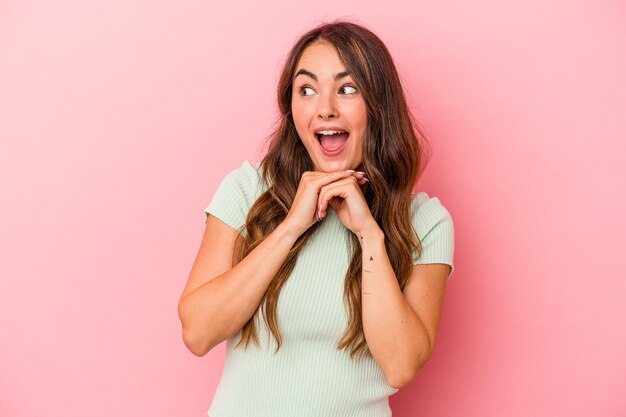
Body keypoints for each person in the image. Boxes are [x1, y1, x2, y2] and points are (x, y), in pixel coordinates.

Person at [178, 19, 455, 417]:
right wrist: (292, 225)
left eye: (347, 89)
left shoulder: (426, 221)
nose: (324, 108)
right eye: (306, 90)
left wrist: (368, 234)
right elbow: (198, 332)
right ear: (292, 108)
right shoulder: (246, 191)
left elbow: (401, 363)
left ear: (378, 106)